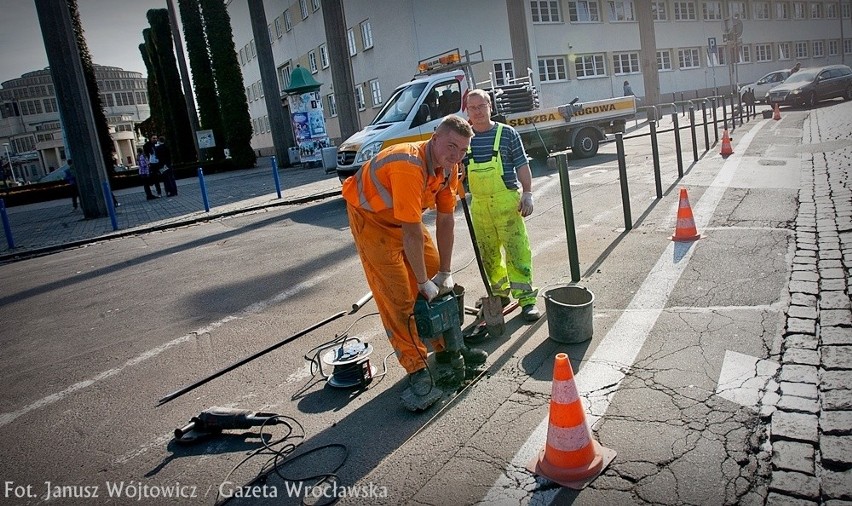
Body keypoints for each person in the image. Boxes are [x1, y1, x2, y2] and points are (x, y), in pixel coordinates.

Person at [342, 114, 487, 403]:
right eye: (451, 146)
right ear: (434, 138)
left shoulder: (450, 168)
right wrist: (422, 282)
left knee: (437, 281)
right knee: (399, 298)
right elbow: (411, 233)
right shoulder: (408, 165)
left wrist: (443, 273)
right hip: (372, 222)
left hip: (405, 221)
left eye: (462, 150)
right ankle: (416, 368)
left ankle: (448, 348)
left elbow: (446, 220)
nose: (456, 155)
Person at [463, 89, 540, 322]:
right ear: (467, 110)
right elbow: (456, 170)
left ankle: (526, 300)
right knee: (488, 254)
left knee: (517, 251)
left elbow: (521, 165)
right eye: (472, 107)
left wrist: (527, 193)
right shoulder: (465, 138)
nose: (477, 111)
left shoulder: (507, 134)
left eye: (481, 106)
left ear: (490, 107)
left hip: (507, 203)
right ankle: (499, 294)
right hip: (480, 206)